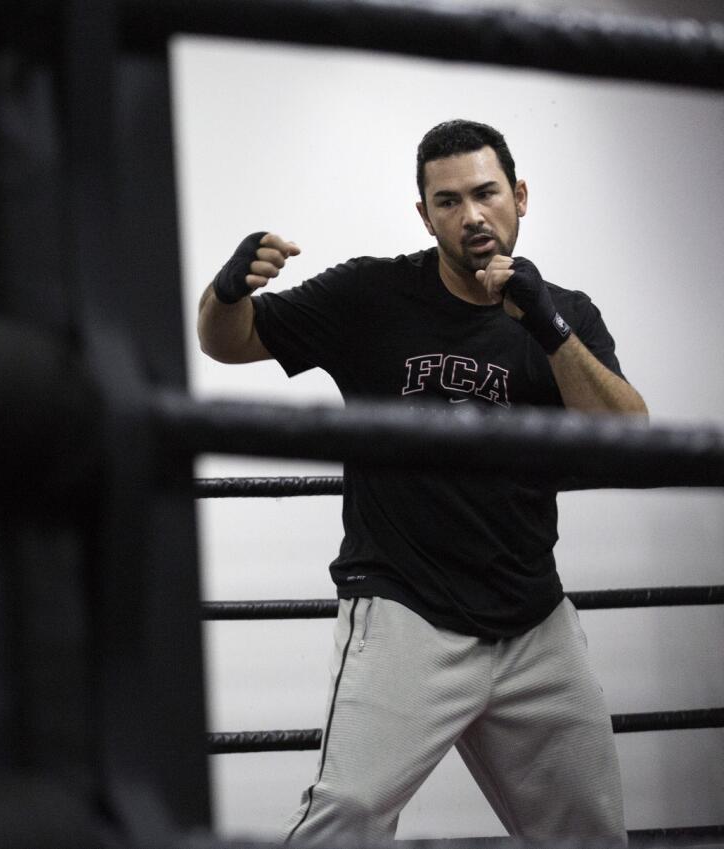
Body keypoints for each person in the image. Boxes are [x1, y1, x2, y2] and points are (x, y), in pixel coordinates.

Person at [196, 119, 647, 843]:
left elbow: (630, 436)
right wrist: (226, 292)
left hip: (531, 619)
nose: (470, 216)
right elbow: (228, 340)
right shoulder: (373, 295)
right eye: (447, 201)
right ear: (424, 213)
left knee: (592, 830)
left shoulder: (565, 311)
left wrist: (548, 326)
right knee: (345, 816)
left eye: (485, 193)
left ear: (520, 196)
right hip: (407, 611)